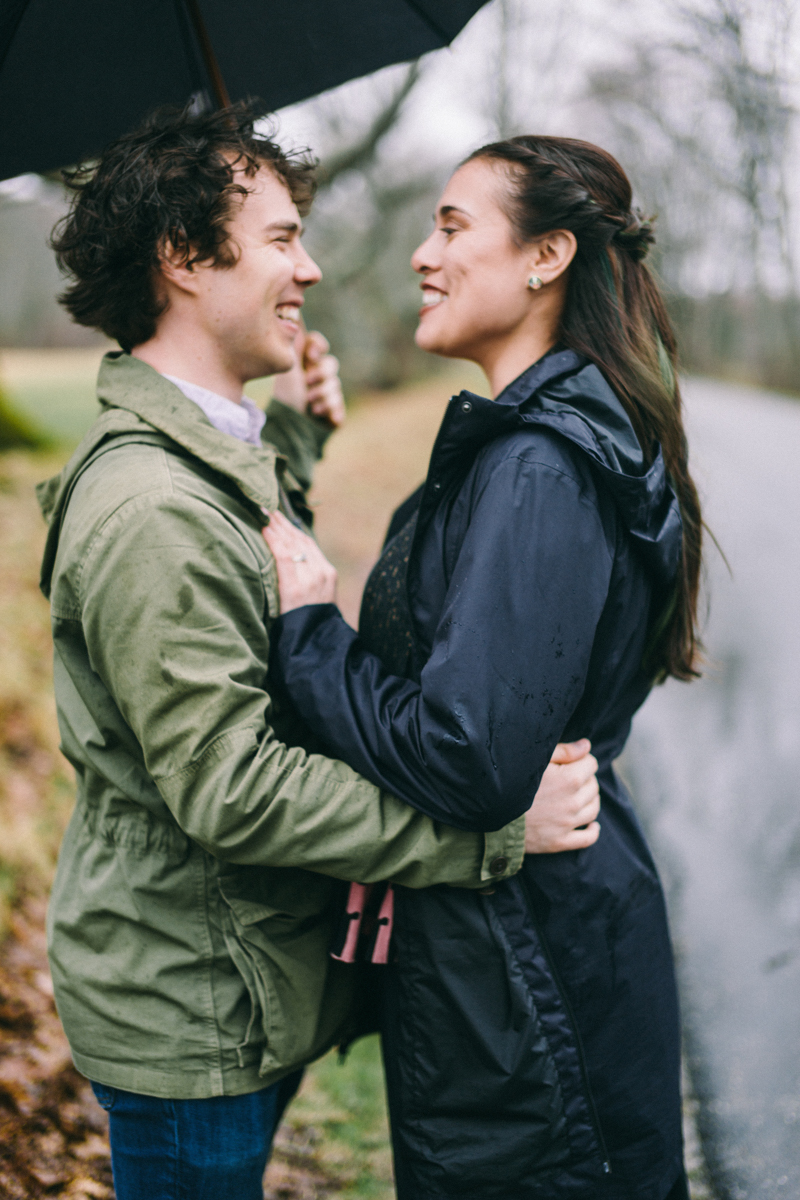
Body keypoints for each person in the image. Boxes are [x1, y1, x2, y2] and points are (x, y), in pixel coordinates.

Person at [38, 104, 601, 1200]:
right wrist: (488, 833)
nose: (312, 265)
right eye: (283, 236)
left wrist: (293, 435)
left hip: (243, 984)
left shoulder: (199, 456)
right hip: (191, 1013)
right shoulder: (150, 503)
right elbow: (234, 787)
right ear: (184, 257)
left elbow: (235, 596)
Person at [263, 135, 702, 1200]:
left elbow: (468, 759)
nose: (421, 252)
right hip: (522, 946)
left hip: (526, 971)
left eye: (452, 226)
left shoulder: (538, 466)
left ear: (546, 257)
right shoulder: (550, 438)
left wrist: (309, 636)